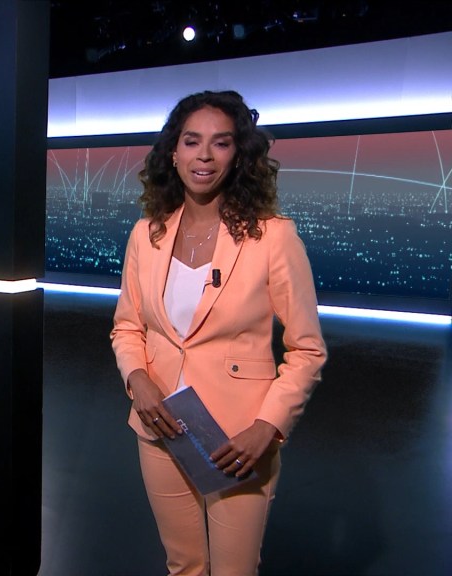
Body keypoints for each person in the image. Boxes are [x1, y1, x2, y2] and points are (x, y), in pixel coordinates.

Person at [110, 90, 327, 576]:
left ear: (239, 156)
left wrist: (267, 427)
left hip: (238, 438)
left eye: (221, 143)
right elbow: (127, 326)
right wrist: (137, 379)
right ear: (173, 152)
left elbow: (307, 349)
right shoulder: (146, 234)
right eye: (192, 141)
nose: (204, 155)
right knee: (183, 566)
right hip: (159, 426)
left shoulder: (273, 237)